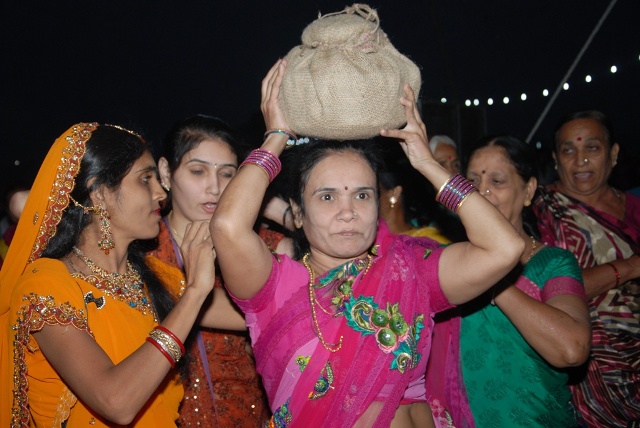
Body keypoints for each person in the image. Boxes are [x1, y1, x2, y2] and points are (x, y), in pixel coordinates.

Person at [209, 59, 525, 427]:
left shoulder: (411, 271)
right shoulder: (275, 287)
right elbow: (228, 226)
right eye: (327, 197)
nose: (348, 212)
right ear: (297, 211)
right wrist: (276, 136)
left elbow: (505, 247)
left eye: (362, 195)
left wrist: (427, 163)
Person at [0, 123, 244, 427]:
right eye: (145, 179)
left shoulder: (159, 278)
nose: (161, 193)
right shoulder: (45, 285)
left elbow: (260, 310)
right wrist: (194, 293)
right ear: (100, 193)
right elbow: (116, 402)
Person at [427, 135, 591, 427]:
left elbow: (571, 349)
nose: (482, 192)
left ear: (528, 190)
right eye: (472, 181)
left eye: (497, 181)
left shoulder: (552, 263)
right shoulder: (446, 262)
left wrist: (492, 275)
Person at [152, 114, 288, 426]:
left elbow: (330, 257)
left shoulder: (258, 246)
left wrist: (273, 207)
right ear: (166, 172)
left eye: (227, 174)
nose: (214, 187)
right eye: (197, 171)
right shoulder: (145, 250)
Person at [533, 110, 640, 427]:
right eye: (568, 150)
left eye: (592, 148)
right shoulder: (541, 210)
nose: (580, 160)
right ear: (556, 160)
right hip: (587, 380)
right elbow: (549, 290)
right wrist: (630, 267)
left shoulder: (636, 208)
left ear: (613, 154)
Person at [377, 142, 451, 244]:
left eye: (374, 191)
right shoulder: (366, 241)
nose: (367, 199)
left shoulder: (428, 242)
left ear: (394, 194)